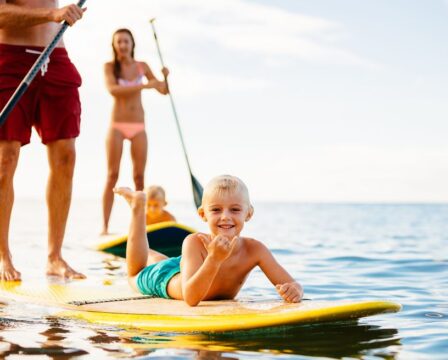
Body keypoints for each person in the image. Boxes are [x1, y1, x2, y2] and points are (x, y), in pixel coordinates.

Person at [114, 175, 303, 306]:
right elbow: (191, 298)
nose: (225, 217)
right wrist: (214, 259)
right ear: (203, 214)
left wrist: (295, 290)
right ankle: (138, 207)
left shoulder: (255, 249)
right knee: (133, 274)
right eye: (216, 210)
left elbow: (292, 283)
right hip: (165, 279)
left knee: (163, 260)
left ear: (249, 213)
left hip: (185, 267)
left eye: (235, 210)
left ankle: (149, 248)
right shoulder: (194, 242)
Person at [0, 1, 86, 281]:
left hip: (55, 54)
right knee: (5, 158)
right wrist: (52, 14)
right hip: (10, 57)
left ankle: (54, 257)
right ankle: (3, 255)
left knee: (66, 156)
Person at [102, 28, 169, 235]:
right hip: (117, 125)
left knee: (139, 178)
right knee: (112, 175)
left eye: (126, 41)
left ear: (132, 44)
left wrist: (165, 78)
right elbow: (114, 90)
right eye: (118, 42)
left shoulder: (142, 66)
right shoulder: (110, 67)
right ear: (114, 45)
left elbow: (163, 90)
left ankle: (140, 226)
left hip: (139, 125)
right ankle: (105, 228)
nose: (122, 45)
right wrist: (145, 86)